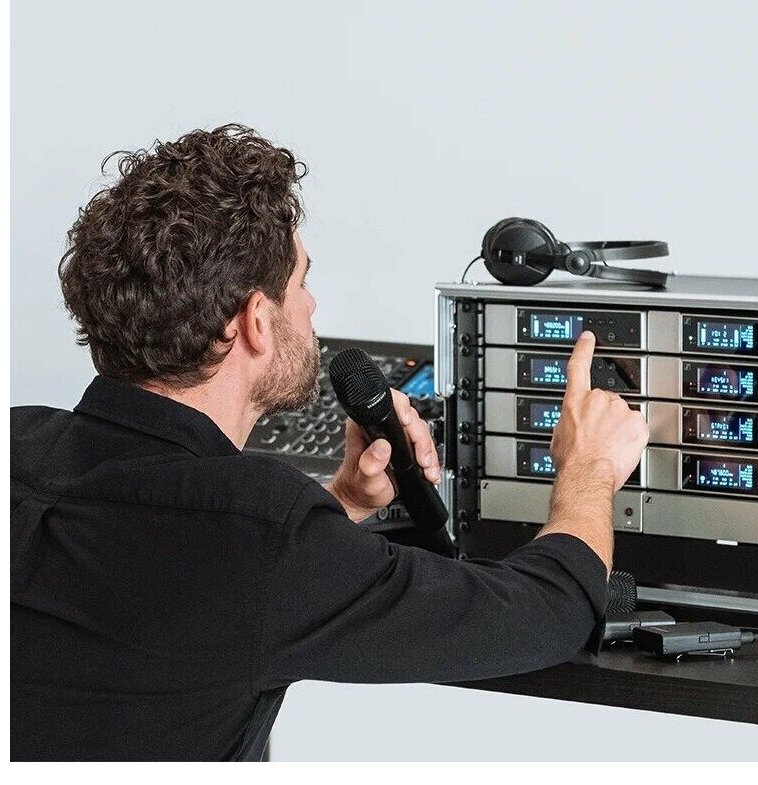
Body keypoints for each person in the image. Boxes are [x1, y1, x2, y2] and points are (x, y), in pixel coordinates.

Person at [10, 124, 649, 761]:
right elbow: (547, 616)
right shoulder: (258, 531)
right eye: (301, 283)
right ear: (256, 322)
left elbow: (178, 590)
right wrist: (588, 470)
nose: (312, 306)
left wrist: (339, 506)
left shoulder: (18, 444)